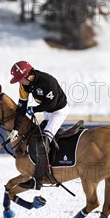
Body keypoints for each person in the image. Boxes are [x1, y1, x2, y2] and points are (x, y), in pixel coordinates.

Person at [9, 60, 68, 189]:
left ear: (29, 75)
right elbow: (21, 108)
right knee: (34, 137)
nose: (19, 82)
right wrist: (15, 129)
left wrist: (34, 109)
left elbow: (51, 104)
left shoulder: (48, 81)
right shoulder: (24, 86)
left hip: (58, 111)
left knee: (43, 142)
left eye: (20, 79)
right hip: (47, 112)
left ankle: (38, 180)